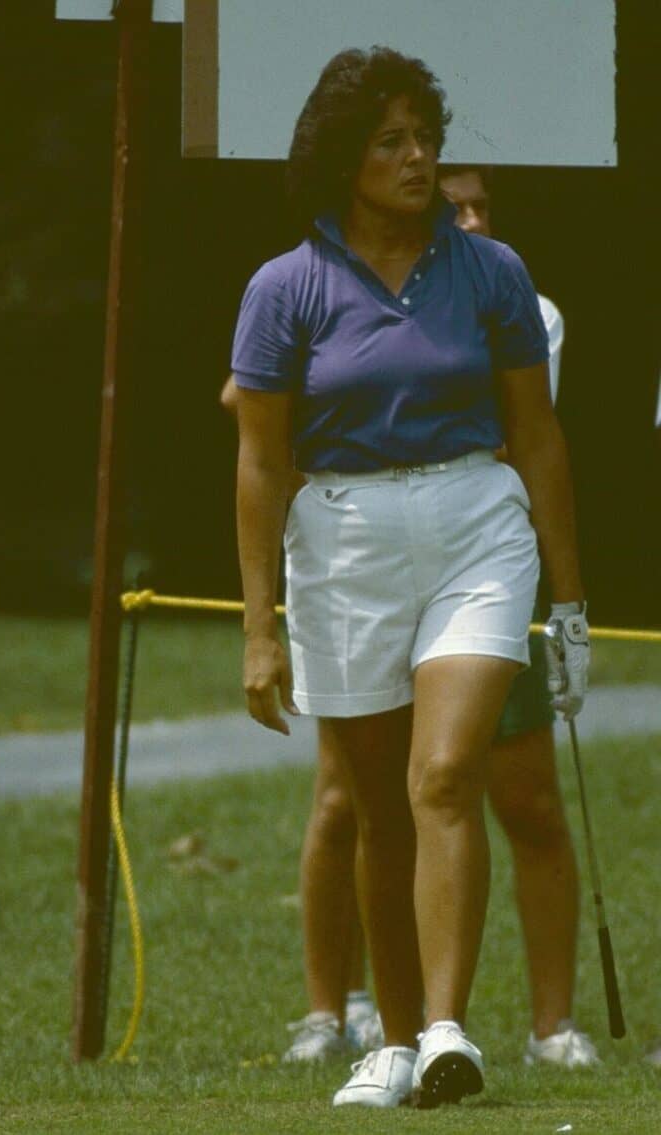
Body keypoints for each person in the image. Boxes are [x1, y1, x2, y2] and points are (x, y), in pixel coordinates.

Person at [232, 47, 590, 1109]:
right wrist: (260, 625)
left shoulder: (492, 272)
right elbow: (258, 462)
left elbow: (539, 436)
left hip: (479, 522)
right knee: (380, 807)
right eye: (390, 141)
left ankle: (443, 1032)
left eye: (424, 137)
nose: (417, 157)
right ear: (344, 157)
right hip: (342, 538)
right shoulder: (284, 287)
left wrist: (567, 604)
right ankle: (388, 1042)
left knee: (443, 775)